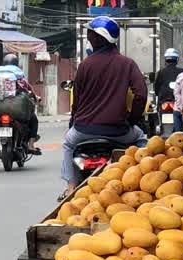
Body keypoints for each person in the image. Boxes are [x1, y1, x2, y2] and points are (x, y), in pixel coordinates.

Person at [62, 16, 147, 196]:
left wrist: (74, 123)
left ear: (99, 38)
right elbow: (141, 94)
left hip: (83, 130)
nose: (89, 38)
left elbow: (76, 100)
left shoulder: (85, 65)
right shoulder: (128, 64)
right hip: (118, 132)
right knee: (141, 140)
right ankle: (141, 186)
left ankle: (70, 189)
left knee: (68, 144)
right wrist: (132, 120)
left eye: (90, 34)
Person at [0, 53, 40, 152]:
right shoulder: (17, 71)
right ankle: (31, 145)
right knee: (33, 119)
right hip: (14, 104)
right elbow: (26, 86)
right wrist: (35, 96)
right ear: (16, 63)